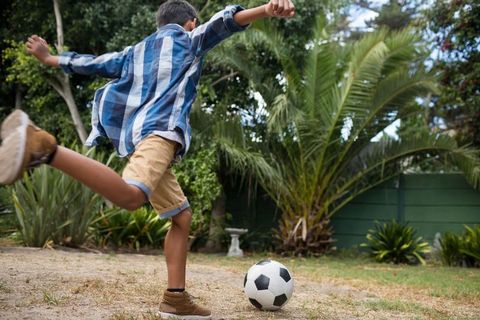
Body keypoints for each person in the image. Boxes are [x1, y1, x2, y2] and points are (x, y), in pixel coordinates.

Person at [0, 0, 295, 318]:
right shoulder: (189, 39)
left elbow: (95, 63)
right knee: (131, 196)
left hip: (139, 138)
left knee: (181, 217)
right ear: (191, 23)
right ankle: (46, 148)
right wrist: (266, 9)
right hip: (161, 135)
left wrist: (51, 58)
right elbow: (226, 21)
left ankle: (175, 297)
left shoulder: (136, 51)